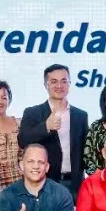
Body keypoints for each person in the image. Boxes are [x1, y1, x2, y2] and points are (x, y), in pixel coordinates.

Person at [18, 64, 89, 197]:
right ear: (46, 85)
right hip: (45, 183)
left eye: (64, 81)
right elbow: (22, 140)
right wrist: (46, 126)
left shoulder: (81, 115)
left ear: (69, 83)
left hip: (75, 184)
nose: (59, 85)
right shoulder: (33, 112)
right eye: (54, 81)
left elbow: (85, 149)